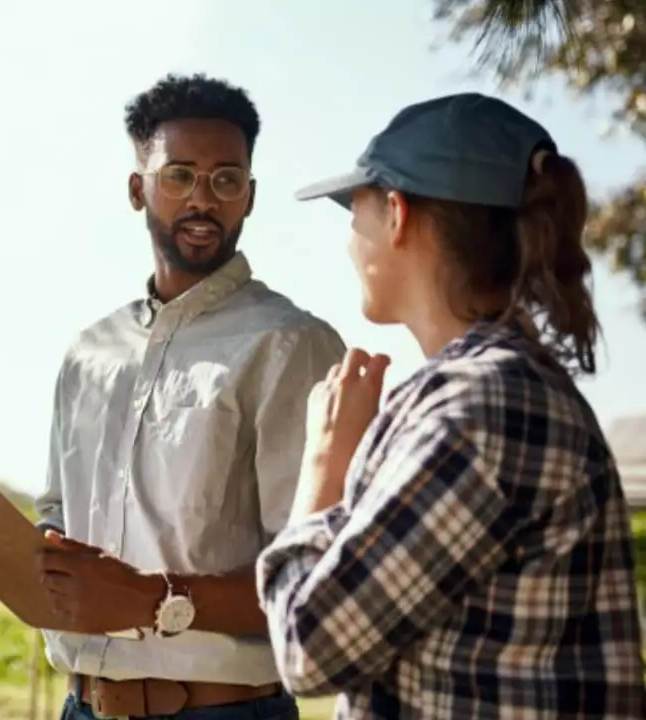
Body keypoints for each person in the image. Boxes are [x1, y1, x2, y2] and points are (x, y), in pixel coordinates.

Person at [0, 73, 346, 719]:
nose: (203, 198)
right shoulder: (90, 351)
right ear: (137, 188)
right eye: (179, 175)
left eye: (226, 180)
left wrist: (154, 599)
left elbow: (314, 577)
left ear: (250, 197)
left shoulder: (291, 345)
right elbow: (59, 521)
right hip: (80, 706)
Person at [255, 92, 646, 719]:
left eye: (354, 209)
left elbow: (308, 647)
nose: (350, 241)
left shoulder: (481, 409)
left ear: (396, 212)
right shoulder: (494, 392)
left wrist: (324, 465)